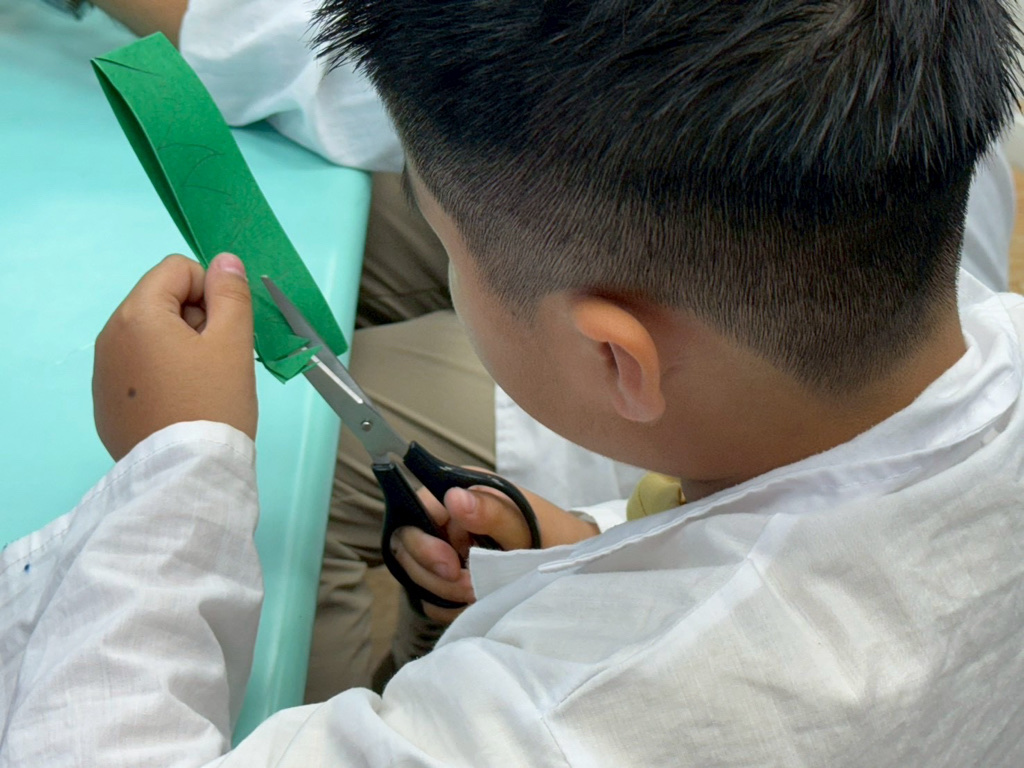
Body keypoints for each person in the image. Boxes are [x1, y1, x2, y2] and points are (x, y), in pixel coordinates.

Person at [5, 1, 1024, 765]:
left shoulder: (562, 726)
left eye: (451, 250)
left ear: (613, 357)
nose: (447, 263)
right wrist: (585, 542)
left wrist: (172, 474)